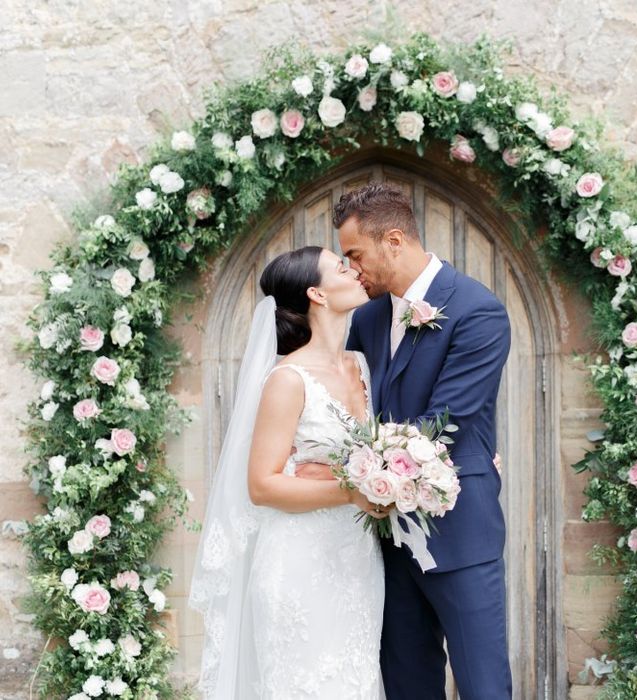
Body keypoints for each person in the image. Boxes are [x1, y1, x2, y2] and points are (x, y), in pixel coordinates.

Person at [300, 183, 513, 699]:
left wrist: (345, 472)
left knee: (483, 687)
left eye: (356, 255)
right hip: (385, 542)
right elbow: (351, 407)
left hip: (459, 533)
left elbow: (448, 420)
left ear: (394, 240)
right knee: (406, 685)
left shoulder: (477, 311)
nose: (352, 270)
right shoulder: (369, 316)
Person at [189, 245, 387, 699]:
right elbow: (261, 485)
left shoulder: (361, 366)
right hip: (298, 563)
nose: (354, 269)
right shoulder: (288, 378)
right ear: (316, 293)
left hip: (357, 561)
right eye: (341, 266)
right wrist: (351, 491)